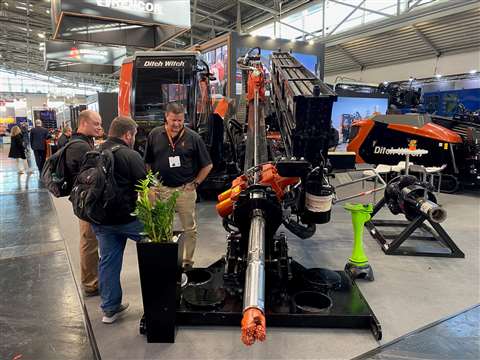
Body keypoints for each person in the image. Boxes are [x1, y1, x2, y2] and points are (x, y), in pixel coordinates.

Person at [90, 116, 146, 324]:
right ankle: (162, 300)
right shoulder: (130, 155)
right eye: (134, 135)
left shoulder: (94, 152)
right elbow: (146, 188)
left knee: (108, 262)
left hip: (101, 220)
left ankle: (110, 310)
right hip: (128, 219)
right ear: (127, 134)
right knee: (159, 248)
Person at [144, 102, 213, 269]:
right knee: (163, 227)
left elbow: (208, 165)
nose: (176, 124)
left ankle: (187, 262)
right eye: (173, 120)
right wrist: (152, 183)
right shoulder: (155, 135)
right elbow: (148, 162)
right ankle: (168, 261)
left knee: (190, 229)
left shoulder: (193, 137)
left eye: (180, 120)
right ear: (166, 118)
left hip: (185, 191)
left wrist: (196, 183)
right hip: (162, 190)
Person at [64, 110, 103, 297]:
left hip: (86, 200)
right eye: (96, 124)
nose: (99, 127)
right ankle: (90, 284)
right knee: (89, 241)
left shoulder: (83, 143)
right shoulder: (79, 147)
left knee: (91, 240)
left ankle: (93, 278)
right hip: (86, 202)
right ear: (84, 123)